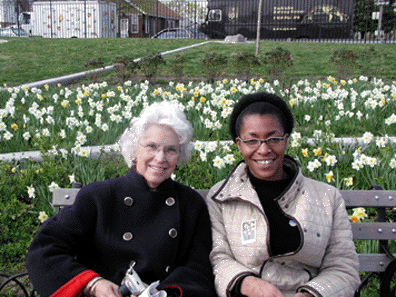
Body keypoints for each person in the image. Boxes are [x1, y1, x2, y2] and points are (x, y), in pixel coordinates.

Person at [26, 101, 217, 297]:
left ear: (180, 155)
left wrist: (164, 294)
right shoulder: (99, 197)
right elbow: (45, 249)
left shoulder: (191, 204)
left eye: (171, 150)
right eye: (151, 146)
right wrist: (93, 284)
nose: (160, 158)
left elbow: (198, 268)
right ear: (135, 150)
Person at [207, 92, 360, 297]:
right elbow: (219, 258)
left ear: (286, 139)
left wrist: (309, 295)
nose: (264, 149)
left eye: (274, 139)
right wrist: (251, 285)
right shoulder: (221, 198)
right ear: (238, 143)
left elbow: (343, 267)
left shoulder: (327, 197)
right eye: (252, 140)